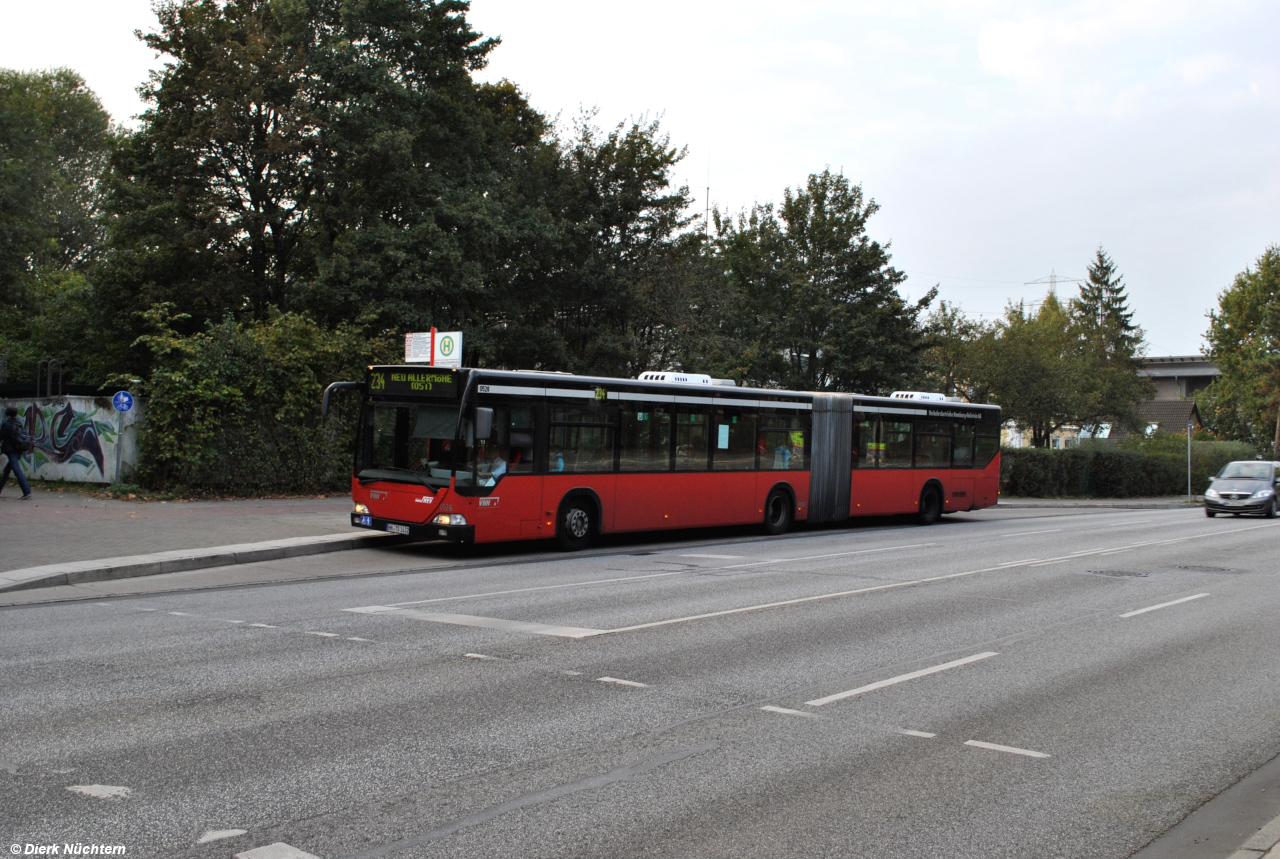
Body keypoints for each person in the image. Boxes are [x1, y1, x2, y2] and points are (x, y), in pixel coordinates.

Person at [0, 406, 33, 500]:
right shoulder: (19, 422)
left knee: (16, 470)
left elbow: (1, 436)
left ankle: (27, 491)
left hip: (11, 451)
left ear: (7, 414)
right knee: (6, 471)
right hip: (19, 450)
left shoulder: (6, 424)